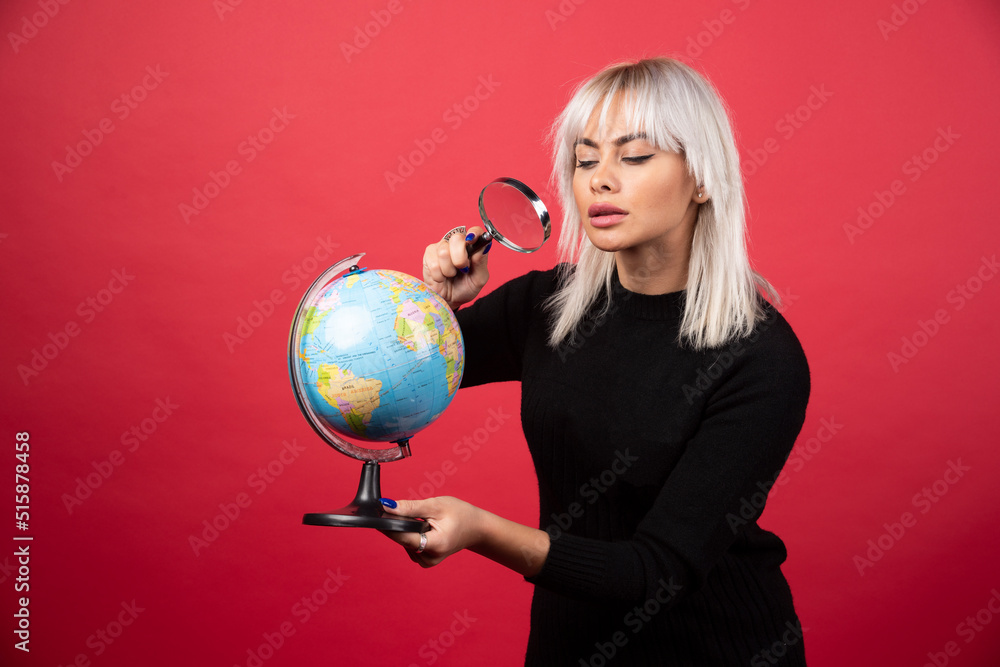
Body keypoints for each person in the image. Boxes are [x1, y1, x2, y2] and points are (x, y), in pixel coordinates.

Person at [380, 57, 811, 666]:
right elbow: (399, 374)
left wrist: (479, 531)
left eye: (634, 158)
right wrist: (436, 305)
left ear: (703, 178)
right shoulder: (550, 304)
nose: (600, 180)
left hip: (715, 648)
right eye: (585, 160)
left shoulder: (760, 358)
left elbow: (654, 572)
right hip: (568, 645)